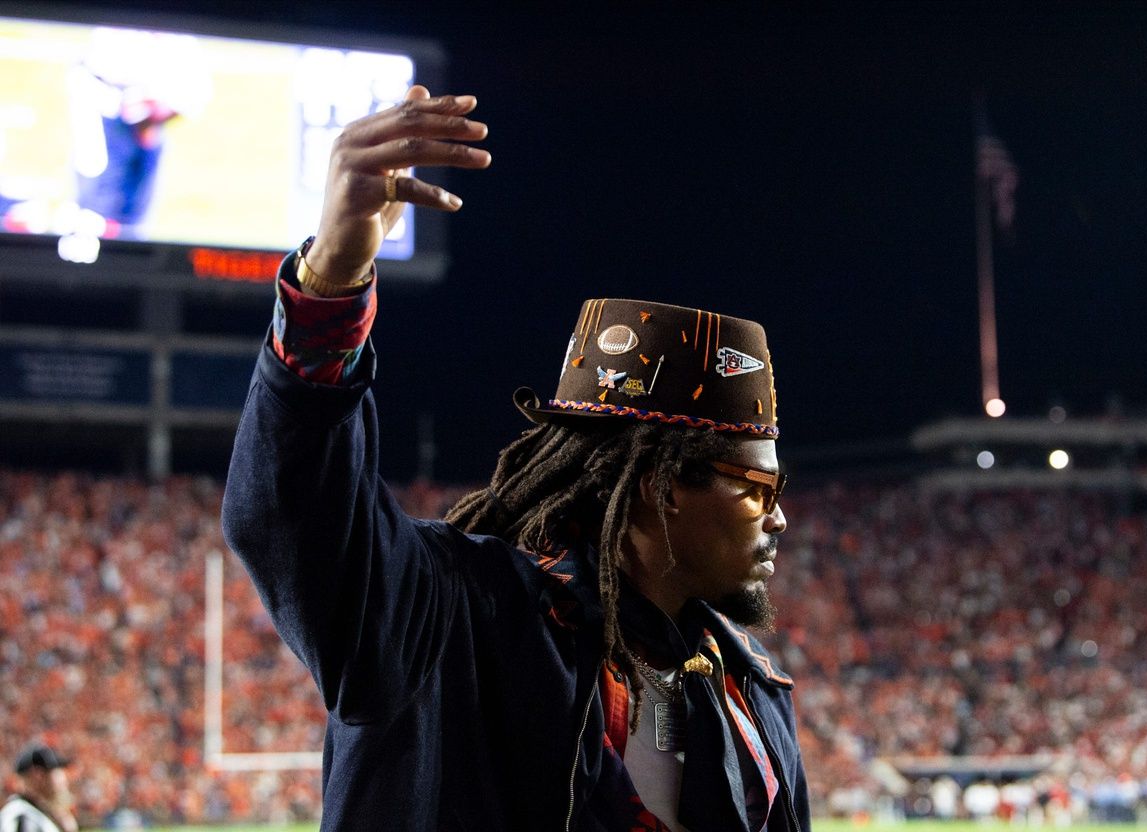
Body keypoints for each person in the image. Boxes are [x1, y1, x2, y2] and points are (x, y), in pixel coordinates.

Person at [223, 84, 810, 831]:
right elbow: (295, 516)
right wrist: (331, 282)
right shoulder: (452, 620)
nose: (780, 518)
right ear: (660, 484)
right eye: (757, 488)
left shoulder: (751, 691)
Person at [0, 744, 77, 832]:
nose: (64, 780)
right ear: (38, 775)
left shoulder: (30, 812)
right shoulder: (23, 816)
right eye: (57, 772)